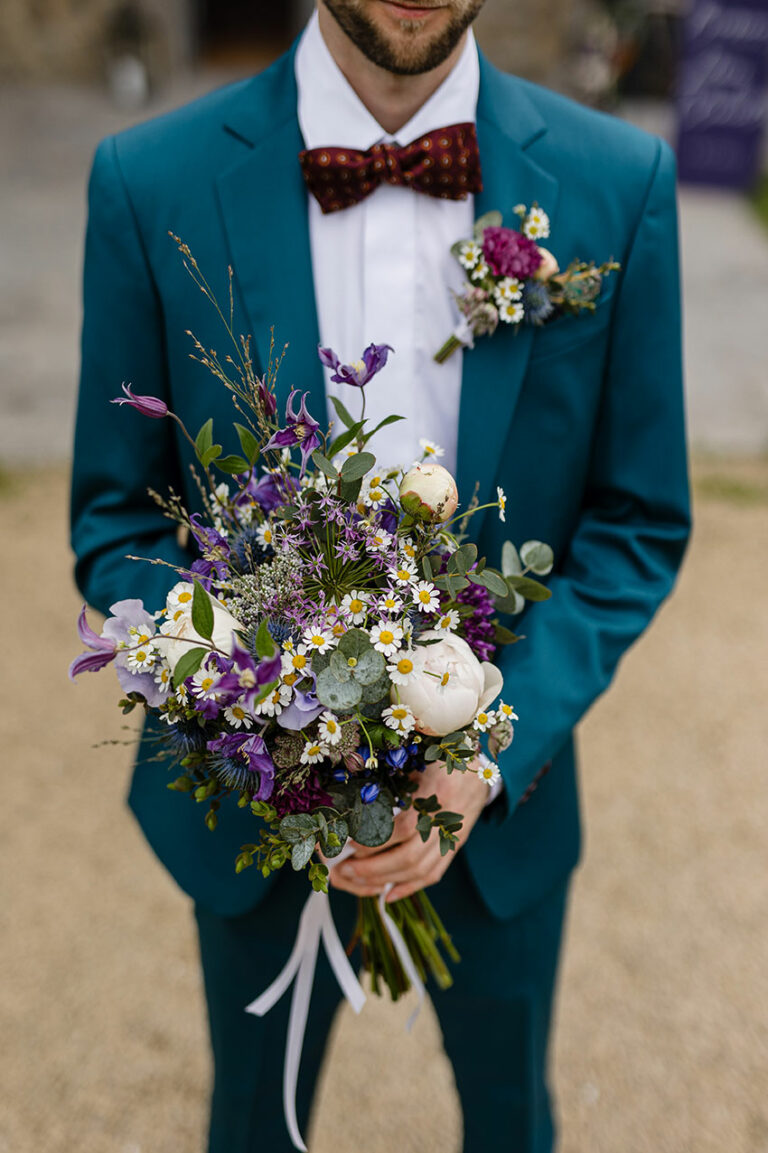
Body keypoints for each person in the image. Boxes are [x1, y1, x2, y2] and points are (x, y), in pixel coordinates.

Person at [70, 1, 691, 1150]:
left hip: (502, 814)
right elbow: (116, 514)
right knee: (255, 1123)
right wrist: (252, 710)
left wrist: (488, 744)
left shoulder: (621, 181)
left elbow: (639, 519)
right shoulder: (148, 179)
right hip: (252, 815)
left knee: (513, 1120)